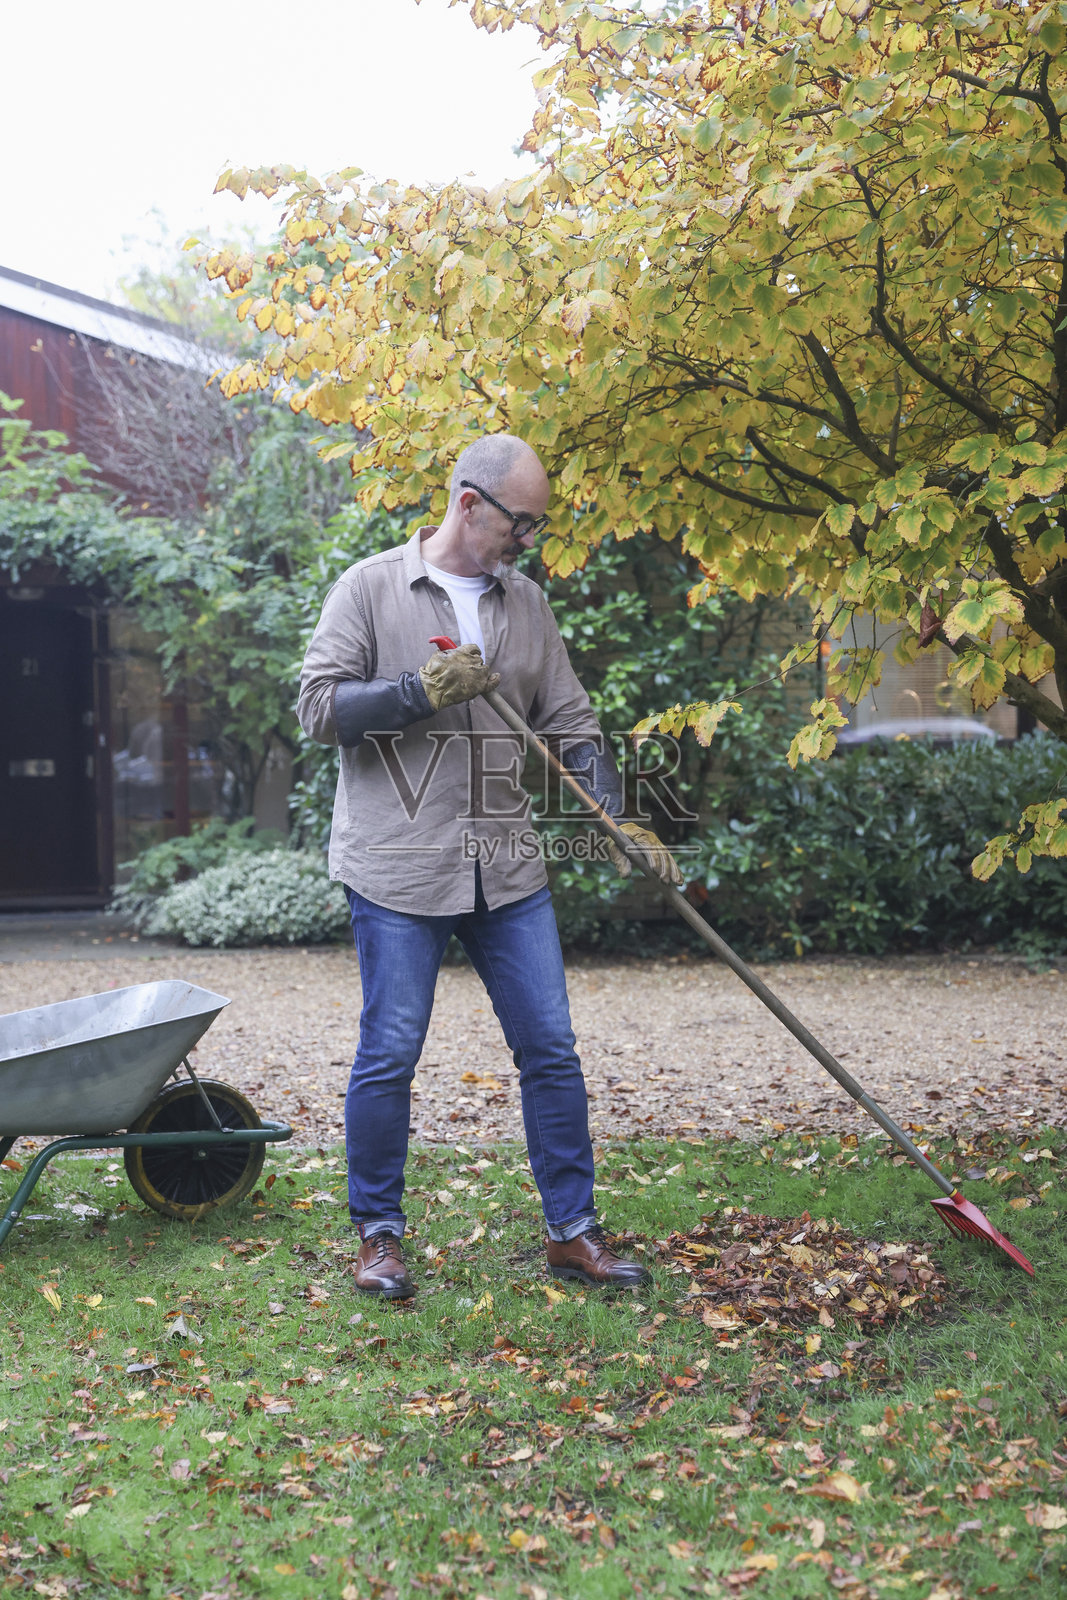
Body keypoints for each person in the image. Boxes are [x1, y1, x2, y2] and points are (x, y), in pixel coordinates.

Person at [297, 434, 682, 1299]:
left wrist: (614, 814)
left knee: (550, 1047)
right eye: (521, 522)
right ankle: (379, 1234)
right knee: (389, 1052)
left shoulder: (527, 605)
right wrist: (417, 692)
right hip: (398, 867)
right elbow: (320, 709)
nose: (528, 540)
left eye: (537, 527)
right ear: (468, 503)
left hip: (505, 867)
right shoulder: (370, 588)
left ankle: (571, 1232)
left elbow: (572, 722)